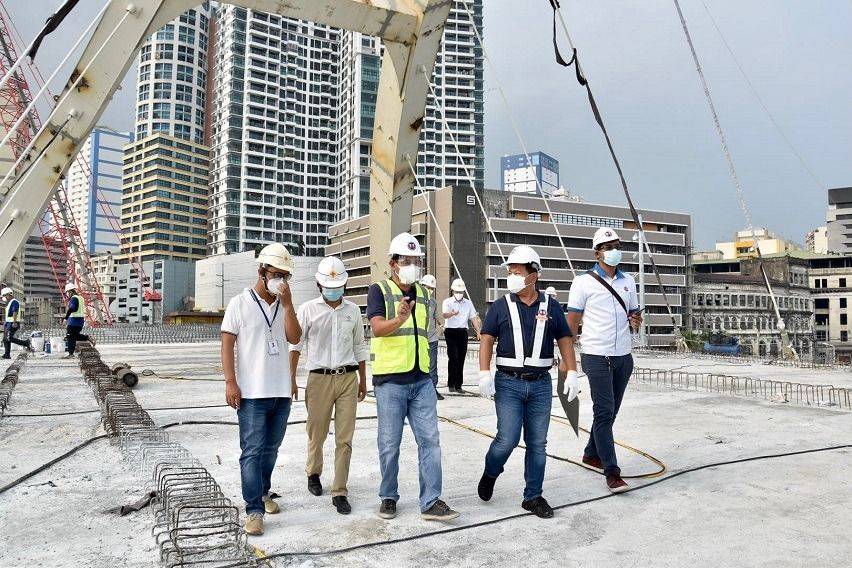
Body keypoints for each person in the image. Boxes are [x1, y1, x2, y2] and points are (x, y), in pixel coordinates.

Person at [478, 245, 578, 519]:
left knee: (538, 443)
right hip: (508, 383)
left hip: (540, 385)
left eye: (517, 271)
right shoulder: (501, 305)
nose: (512, 276)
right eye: (510, 271)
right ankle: (491, 471)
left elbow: (565, 339)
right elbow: (487, 339)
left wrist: (572, 372)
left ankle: (532, 496)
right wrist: (484, 373)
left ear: (533, 275)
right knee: (506, 439)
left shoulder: (551, 305)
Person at [367, 232, 459, 522]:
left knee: (430, 440)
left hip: (421, 381)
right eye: (407, 261)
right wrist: (400, 319)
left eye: (417, 261)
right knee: (389, 443)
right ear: (393, 264)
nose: (413, 266)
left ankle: (431, 500)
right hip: (391, 380)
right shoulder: (378, 290)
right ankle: (388, 496)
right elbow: (378, 328)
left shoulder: (423, 293)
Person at [221, 243, 302, 536]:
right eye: (276, 273)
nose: (281, 279)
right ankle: (254, 510)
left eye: (285, 275)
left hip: (280, 391)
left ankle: (264, 493)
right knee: (252, 451)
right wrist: (231, 381)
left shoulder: (284, 305)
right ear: (262, 271)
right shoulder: (239, 304)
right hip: (252, 393)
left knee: (270, 450)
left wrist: (290, 305)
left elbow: (295, 336)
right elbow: (227, 344)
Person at [289, 256, 368, 515]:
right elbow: (296, 345)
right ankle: (313, 472)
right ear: (318, 285)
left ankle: (340, 490)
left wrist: (363, 380)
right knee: (317, 432)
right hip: (318, 378)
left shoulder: (353, 311)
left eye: (339, 285)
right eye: (328, 285)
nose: (334, 290)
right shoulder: (308, 310)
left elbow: (359, 346)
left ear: (345, 285)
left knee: (345, 438)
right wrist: (292, 379)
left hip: (347, 378)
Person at [566, 228, 642, 493]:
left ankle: (591, 454)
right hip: (596, 355)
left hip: (623, 356)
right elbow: (572, 321)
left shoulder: (628, 281)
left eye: (617, 245)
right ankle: (612, 471)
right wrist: (567, 361)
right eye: (608, 247)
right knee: (604, 411)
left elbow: (634, 312)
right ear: (597, 252)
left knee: (611, 412)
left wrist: (635, 319)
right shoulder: (582, 282)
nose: (614, 250)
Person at [441, 279, 481, 393]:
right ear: (452, 290)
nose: (459, 294)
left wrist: (478, 331)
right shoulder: (447, 302)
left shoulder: (468, 303)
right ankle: (451, 384)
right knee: (453, 357)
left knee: (461, 358)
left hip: (463, 332)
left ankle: (458, 385)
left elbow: (473, 318)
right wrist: (452, 313)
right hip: (450, 331)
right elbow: (444, 315)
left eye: (461, 291)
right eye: (457, 291)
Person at [419, 274, 444, 400]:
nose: (430, 290)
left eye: (432, 288)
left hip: (432, 338)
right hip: (419, 338)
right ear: (422, 286)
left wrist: (441, 325)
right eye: (428, 287)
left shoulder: (433, 302)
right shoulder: (416, 300)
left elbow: (436, 317)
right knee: (420, 365)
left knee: (432, 365)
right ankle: (421, 390)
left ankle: (433, 389)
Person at [2, 287, 31, 359]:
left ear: (8, 294)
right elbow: (9, 314)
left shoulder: (15, 302)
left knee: (8, 338)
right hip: (8, 323)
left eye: (4, 296)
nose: (4, 297)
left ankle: (25, 343)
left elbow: (15, 312)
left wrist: (14, 322)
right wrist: (5, 322)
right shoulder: (9, 303)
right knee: (5, 339)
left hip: (13, 323)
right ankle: (7, 354)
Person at [63, 283, 89, 358]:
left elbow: (72, 308)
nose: (67, 294)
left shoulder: (73, 298)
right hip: (80, 322)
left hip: (73, 321)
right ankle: (87, 338)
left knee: (70, 337)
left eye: (67, 292)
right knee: (74, 336)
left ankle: (71, 354)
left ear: (70, 291)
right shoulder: (80, 298)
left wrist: (65, 318)